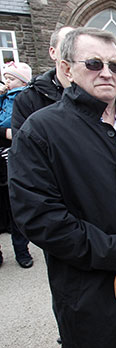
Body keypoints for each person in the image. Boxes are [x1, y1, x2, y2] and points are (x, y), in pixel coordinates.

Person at [8, 27, 116, 347]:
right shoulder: (41, 130)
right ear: (66, 69)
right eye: (94, 64)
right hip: (92, 304)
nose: (107, 73)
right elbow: (38, 216)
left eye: (115, 66)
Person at [0, 61, 32, 268]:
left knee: (16, 208)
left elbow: (23, 130)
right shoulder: (3, 99)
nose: (7, 82)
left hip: (13, 160)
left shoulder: (24, 98)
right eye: (6, 79)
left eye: (11, 79)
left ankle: (22, 251)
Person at [12, 26, 74, 133]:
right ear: (53, 52)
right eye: (67, 44)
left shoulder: (99, 92)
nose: (74, 51)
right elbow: (22, 145)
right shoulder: (29, 98)